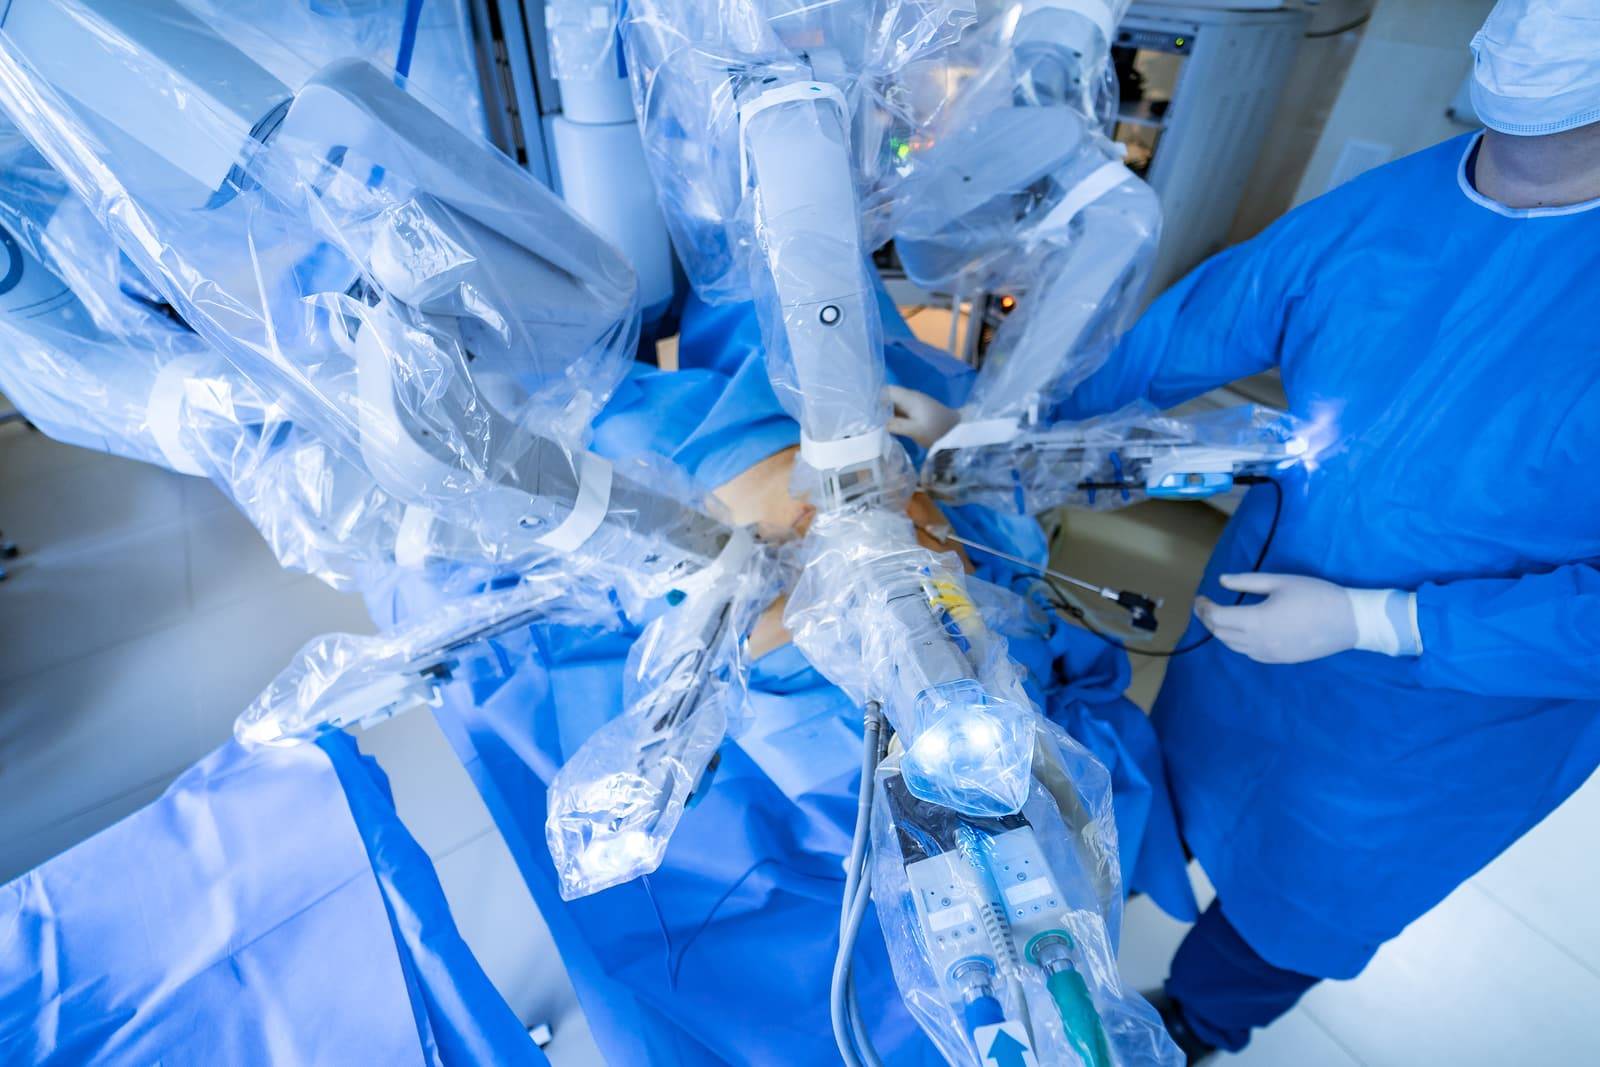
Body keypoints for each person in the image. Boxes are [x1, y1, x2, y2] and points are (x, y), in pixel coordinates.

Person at [893, 2, 1600, 1060]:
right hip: (1253, 643)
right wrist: (1000, 437)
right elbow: (1183, 336)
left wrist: (1383, 620)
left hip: (1446, 725)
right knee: (1176, 786)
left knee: (1306, 899)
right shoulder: (1404, 200)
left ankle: (1197, 1021)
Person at [370, 283, 1197, 1066]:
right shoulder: (1068, 843)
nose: (841, 538)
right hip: (911, 631)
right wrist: (968, 489)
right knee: (767, 309)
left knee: (576, 366)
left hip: (765, 696)